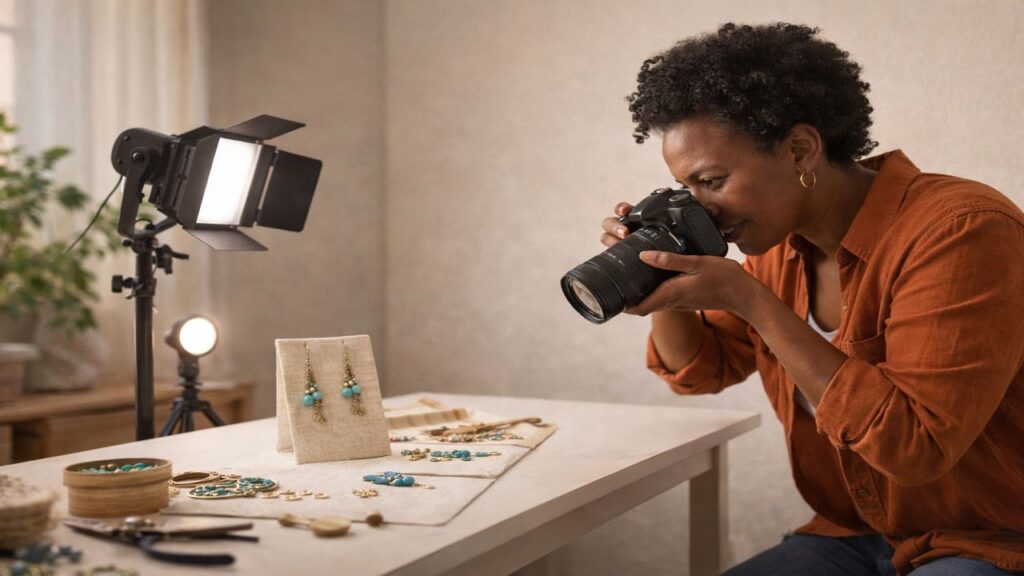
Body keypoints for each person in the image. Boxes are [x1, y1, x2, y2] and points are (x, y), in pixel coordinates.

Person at [603, 22, 1024, 576]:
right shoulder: (778, 249)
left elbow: (914, 448)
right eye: (687, 189)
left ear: (800, 150)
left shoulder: (962, 231)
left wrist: (753, 302)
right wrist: (661, 283)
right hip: (855, 532)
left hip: (989, 537)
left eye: (712, 181)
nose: (700, 209)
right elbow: (701, 372)